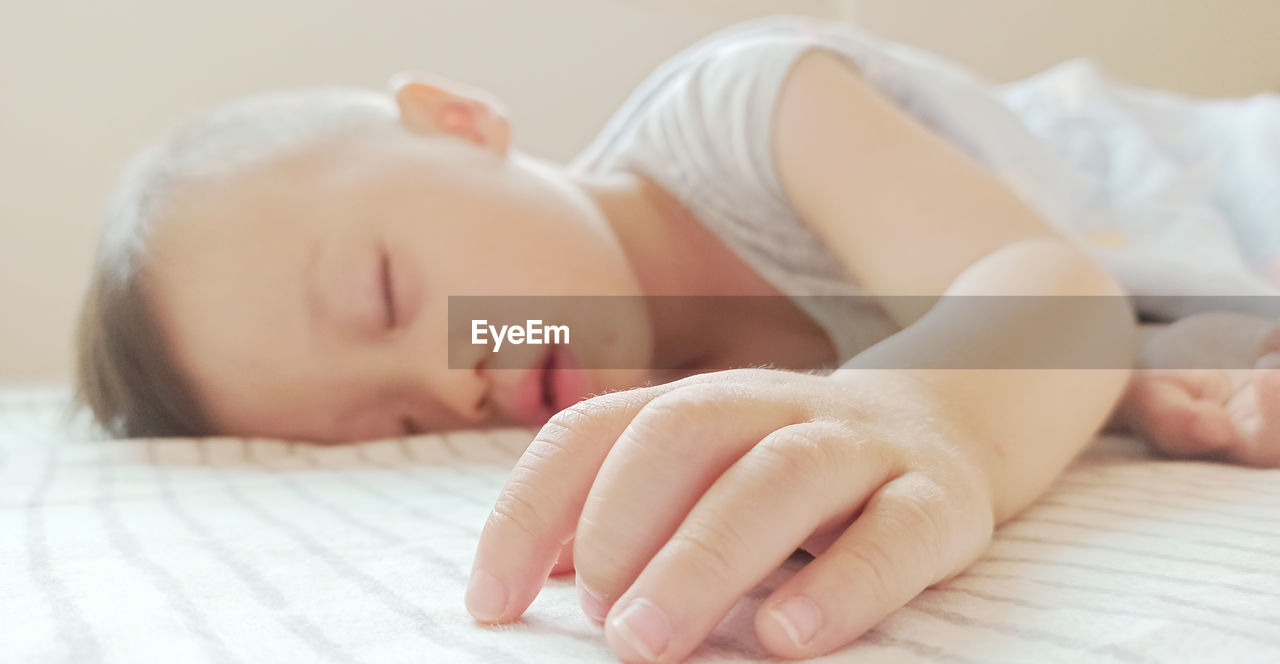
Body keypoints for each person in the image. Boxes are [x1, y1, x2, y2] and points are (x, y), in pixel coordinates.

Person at [75, 15, 1280, 663]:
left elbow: (1039, 286)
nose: (454, 375)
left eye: (390, 295)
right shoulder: (655, 388)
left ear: (454, 123)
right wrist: (1121, 387)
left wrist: (932, 416)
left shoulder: (743, 111)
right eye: (393, 420)